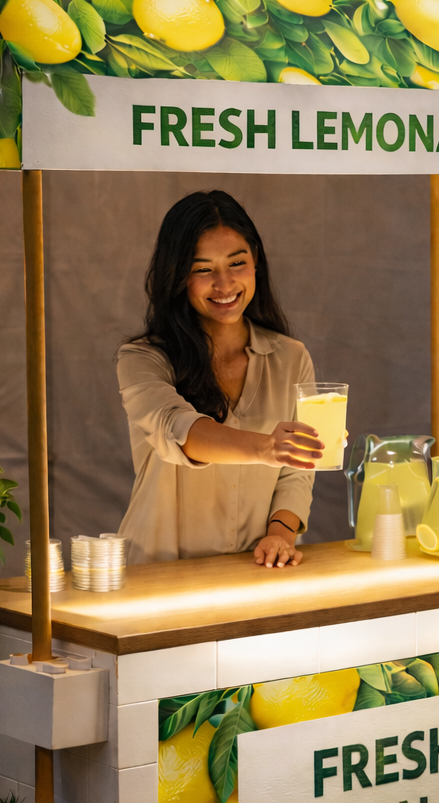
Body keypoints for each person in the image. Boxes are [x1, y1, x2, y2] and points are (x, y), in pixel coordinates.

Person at [117, 190, 324, 568]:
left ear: (256, 262)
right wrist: (268, 447)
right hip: (157, 574)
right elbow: (178, 429)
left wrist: (280, 533)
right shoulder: (142, 360)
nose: (224, 284)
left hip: (253, 573)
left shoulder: (292, 358)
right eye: (202, 269)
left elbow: (296, 472)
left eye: (237, 263)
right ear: (178, 275)